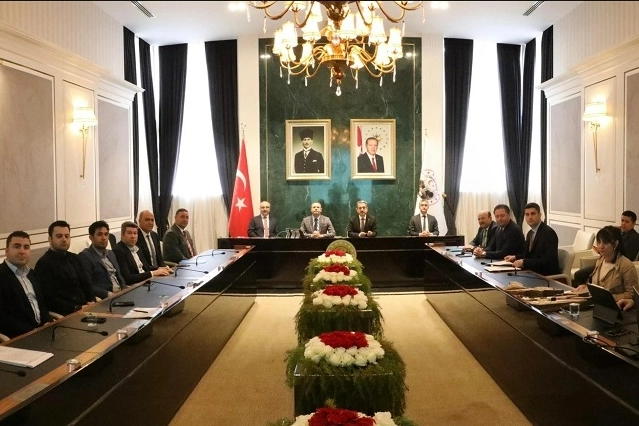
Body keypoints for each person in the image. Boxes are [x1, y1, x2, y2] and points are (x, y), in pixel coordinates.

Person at [34, 221, 96, 315]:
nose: (64, 240)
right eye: (59, 236)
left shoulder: (75, 258)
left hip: (87, 307)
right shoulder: (43, 264)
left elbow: (86, 284)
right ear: (50, 239)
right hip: (68, 313)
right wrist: (77, 308)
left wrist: (92, 301)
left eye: (67, 236)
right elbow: (49, 299)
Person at [0, 231, 53, 339]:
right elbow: (2, 318)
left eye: (26, 247)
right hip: (18, 337)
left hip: (42, 332)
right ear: (6, 251)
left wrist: (47, 321)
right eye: (17, 247)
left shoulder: (32, 274)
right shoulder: (1, 275)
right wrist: (31, 331)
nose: (22, 251)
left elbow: (42, 304)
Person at [574, 226, 638, 311]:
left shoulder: (626, 266)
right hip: (596, 306)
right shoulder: (600, 260)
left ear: (615, 244)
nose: (600, 246)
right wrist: (587, 288)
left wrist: (609, 297)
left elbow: (632, 294)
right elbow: (597, 286)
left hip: (615, 309)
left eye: (605, 243)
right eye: (599, 242)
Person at [574, 210, 639, 286]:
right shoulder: (619, 233)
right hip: (606, 260)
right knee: (580, 274)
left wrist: (610, 253)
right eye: (622, 221)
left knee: (581, 274)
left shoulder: (635, 238)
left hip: (617, 263)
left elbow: (629, 256)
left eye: (627, 222)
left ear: (633, 223)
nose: (623, 223)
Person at [504, 203, 560, 276]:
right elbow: (528, 256)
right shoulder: (530, 233)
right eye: (527, 214)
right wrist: (515, 257)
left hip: (546, 276)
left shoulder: (548, 233)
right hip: (531, 273)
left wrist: (524, 262)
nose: (530, 217)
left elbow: (548, 262)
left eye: (533, 214)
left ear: (539, 215)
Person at [78, 221, 127, 300]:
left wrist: (125, 290)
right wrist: (109, 294)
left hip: (121, 294)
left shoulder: (111, 253)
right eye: (99, 234)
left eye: (106, 234)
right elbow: (87, 284)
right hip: (106, 298)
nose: (104, 238)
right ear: (91, 237)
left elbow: (119, 275)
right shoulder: (85, 256)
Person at [114, 221, 172, 285]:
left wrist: (159, 268)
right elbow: (128, 278)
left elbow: (146, 267)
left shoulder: (137, 248)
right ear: (122, 235)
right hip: (136, 285)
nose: (133, 236)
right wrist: (153, 273)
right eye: (129, 233)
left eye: (135, 233)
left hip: (147, 281)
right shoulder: (118, 250)